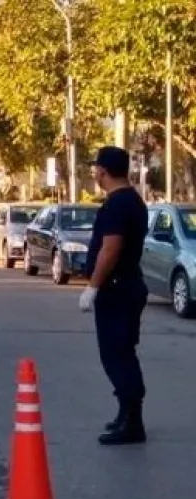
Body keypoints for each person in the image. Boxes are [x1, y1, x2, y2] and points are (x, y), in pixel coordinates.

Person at [79, 146, 150, 445]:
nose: (94, 173)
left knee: (116, 355)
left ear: (104, 171)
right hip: (129, 285)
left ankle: (132, 423)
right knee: (123, 352)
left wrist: (93, 287)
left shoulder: (117, 205)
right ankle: (126, 413)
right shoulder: (133, 200)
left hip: (117, 289)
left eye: (96, 168)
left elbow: (110, 249)